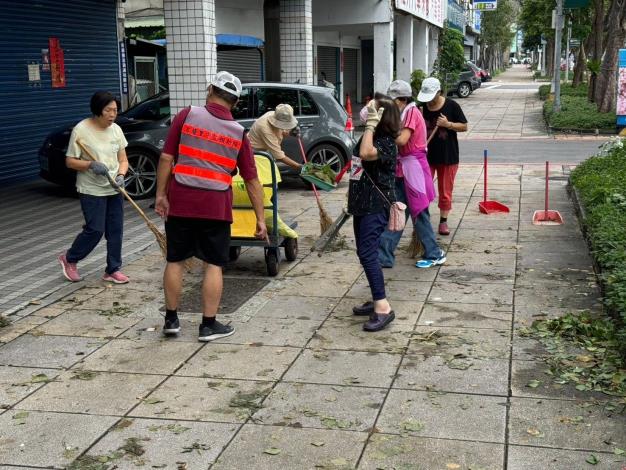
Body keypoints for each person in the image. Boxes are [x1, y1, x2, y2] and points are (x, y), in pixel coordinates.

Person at [155, 71, 268, 342]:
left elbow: (166, 158)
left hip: (181, 201)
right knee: (214, 264)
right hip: (215, 207)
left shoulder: (187, 115)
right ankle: (208, 325)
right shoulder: (238, 132)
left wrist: (161, 195)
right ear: (236, 102)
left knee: (175, 260)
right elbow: (252, 181)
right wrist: (260, 219)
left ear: (210, 90)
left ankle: (171, 320)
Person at [58, 91, 129, 284]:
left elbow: (123, 159)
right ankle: (70, 258)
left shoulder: (116, 130)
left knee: (115, 230)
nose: (112, 114)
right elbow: (70, 161)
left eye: (115, 110)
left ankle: (113, 269)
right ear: (98, 110)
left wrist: (122, 175)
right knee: (95, 229)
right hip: (91, 189)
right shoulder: (81, 130)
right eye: (108, 110)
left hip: (114, 187)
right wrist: (90, 165)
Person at [377, 80, 446, 269]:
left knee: (419, 213)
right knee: (399, 211)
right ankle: (384, 255)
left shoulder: (411, 113)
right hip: (405, 170)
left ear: (402, 100)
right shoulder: (404, 113)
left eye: (393, 101)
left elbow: (402, 140)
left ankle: (434, 252)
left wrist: (381, 129)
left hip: (413, 170)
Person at [348, 94, 400, 332]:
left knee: (368, 253)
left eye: (371, 109)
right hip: (361, 203)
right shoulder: (374, 135)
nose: (366, 111)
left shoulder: (388, 142)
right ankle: (376, 296)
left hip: (375, 206)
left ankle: (383, 307)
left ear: (381, 117)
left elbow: (367, 153)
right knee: (364, 253)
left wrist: (370, 124)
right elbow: (358, 159)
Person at [418, 77, 468, 235]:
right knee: (423, 190)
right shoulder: (420, 108)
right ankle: (422, 220)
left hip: (448, 156)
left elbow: (464, 126)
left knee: (445, 191)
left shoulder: (452, 106)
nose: (429, 102)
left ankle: (443, 221)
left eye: (432, 97)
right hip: (425, 156)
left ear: (439, 92)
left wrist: (449, 125)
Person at [247, 104, 302, 171]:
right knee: (262, 177)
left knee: (271, 175)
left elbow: (280, 130)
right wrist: (299, 166)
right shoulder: (264, 128)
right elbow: (279, 156)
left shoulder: (274, 114)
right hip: (254, 153)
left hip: (265, 151)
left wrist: (290, 132)